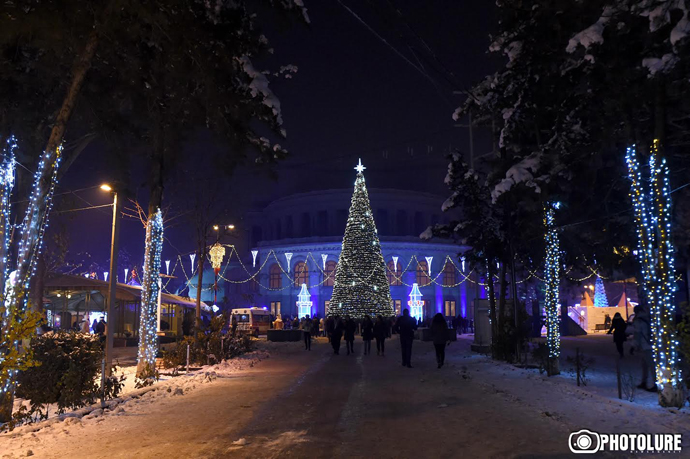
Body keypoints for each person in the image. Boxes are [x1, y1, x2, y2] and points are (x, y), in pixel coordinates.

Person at [632, 305, 657, 392]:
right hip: (652, 344)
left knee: (650, 365)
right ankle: (645, 382)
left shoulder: (638, 321)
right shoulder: (648, 318)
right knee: (646, 364)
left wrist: (634, 346)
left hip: (645, 345)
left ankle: (655, 384)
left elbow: (637, 335)